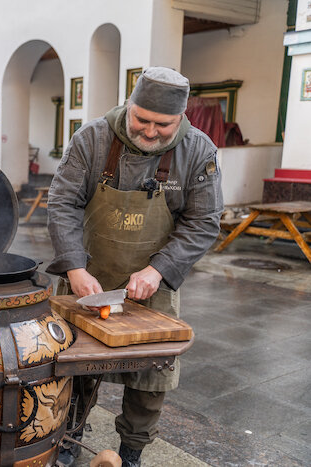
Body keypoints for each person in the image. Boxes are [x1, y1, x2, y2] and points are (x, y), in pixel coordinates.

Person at [47, 67, 223, 467]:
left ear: (179, 118)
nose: (149, 131)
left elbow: (204, 221)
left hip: (153, 285)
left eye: (162, 124)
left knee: (151, 377)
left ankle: (131, 453)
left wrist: (159, 270)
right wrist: (74, 267)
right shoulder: (92, 138)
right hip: (86, 278)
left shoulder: (198, 151)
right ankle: (68, 438)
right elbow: (62, 204)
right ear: (129, 105)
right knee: (71, 366)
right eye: (141, 119)